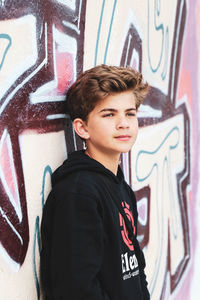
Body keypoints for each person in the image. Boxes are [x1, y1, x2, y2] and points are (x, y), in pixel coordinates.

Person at [40, 64, 150, 300]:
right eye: (109, 114)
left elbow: (136, 271)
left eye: (130, 113)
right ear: (82, 128)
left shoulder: (120, 187)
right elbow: (76, 289)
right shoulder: (78, 193)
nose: (123, 123)